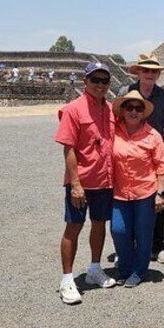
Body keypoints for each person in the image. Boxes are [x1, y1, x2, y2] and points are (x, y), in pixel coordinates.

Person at [54, 62, 118, 305]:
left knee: (99, 225)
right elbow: (69, 149)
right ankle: (67, 279)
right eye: (95, 80)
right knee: (74, 226)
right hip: (82, 180)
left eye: (104, 81)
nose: (100, 85)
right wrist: (75, 183)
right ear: (85, 81)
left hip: (104, 179)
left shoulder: (111, 110)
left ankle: (94, 269)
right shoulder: (73, 109)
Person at [119, 53, 164, 263]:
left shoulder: (163, 96)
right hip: (131, 156)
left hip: (156, 155)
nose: (150, 74)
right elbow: (116, 121)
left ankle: (157, 244)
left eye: (154, 71)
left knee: (159, 202)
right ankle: (129, 244)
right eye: (146, 70)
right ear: (139, 72)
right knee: (130, 200)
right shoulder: (126, 92)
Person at [110, 90, 164, 288]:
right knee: (119, 231)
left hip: (145, 192)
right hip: (120, 192)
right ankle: (125, 268)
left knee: (143, 234)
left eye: (138, 108)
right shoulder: (114, 130)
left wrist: (160, 193)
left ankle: (138, 271)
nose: (134, 111)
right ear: (123, 110)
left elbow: (162, 166)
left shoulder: (153, 135)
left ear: (144, 112)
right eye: (129, 107)